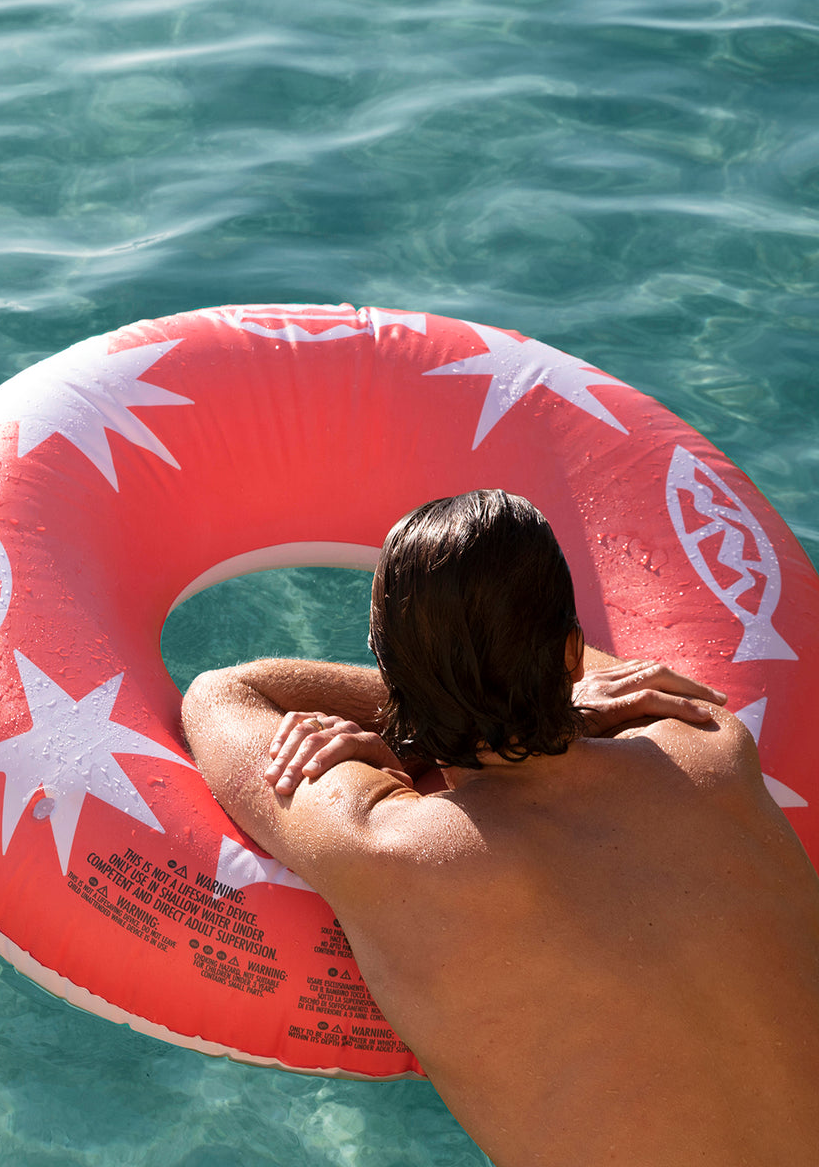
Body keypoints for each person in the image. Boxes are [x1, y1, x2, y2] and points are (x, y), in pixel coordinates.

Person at [182, 490, 819, 1167]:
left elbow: (222, 695)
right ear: (571, 655)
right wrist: (558, 708)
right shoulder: (711, 746)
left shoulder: (392, 847)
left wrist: (420, 721)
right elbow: (606, 676)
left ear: (389, 675)